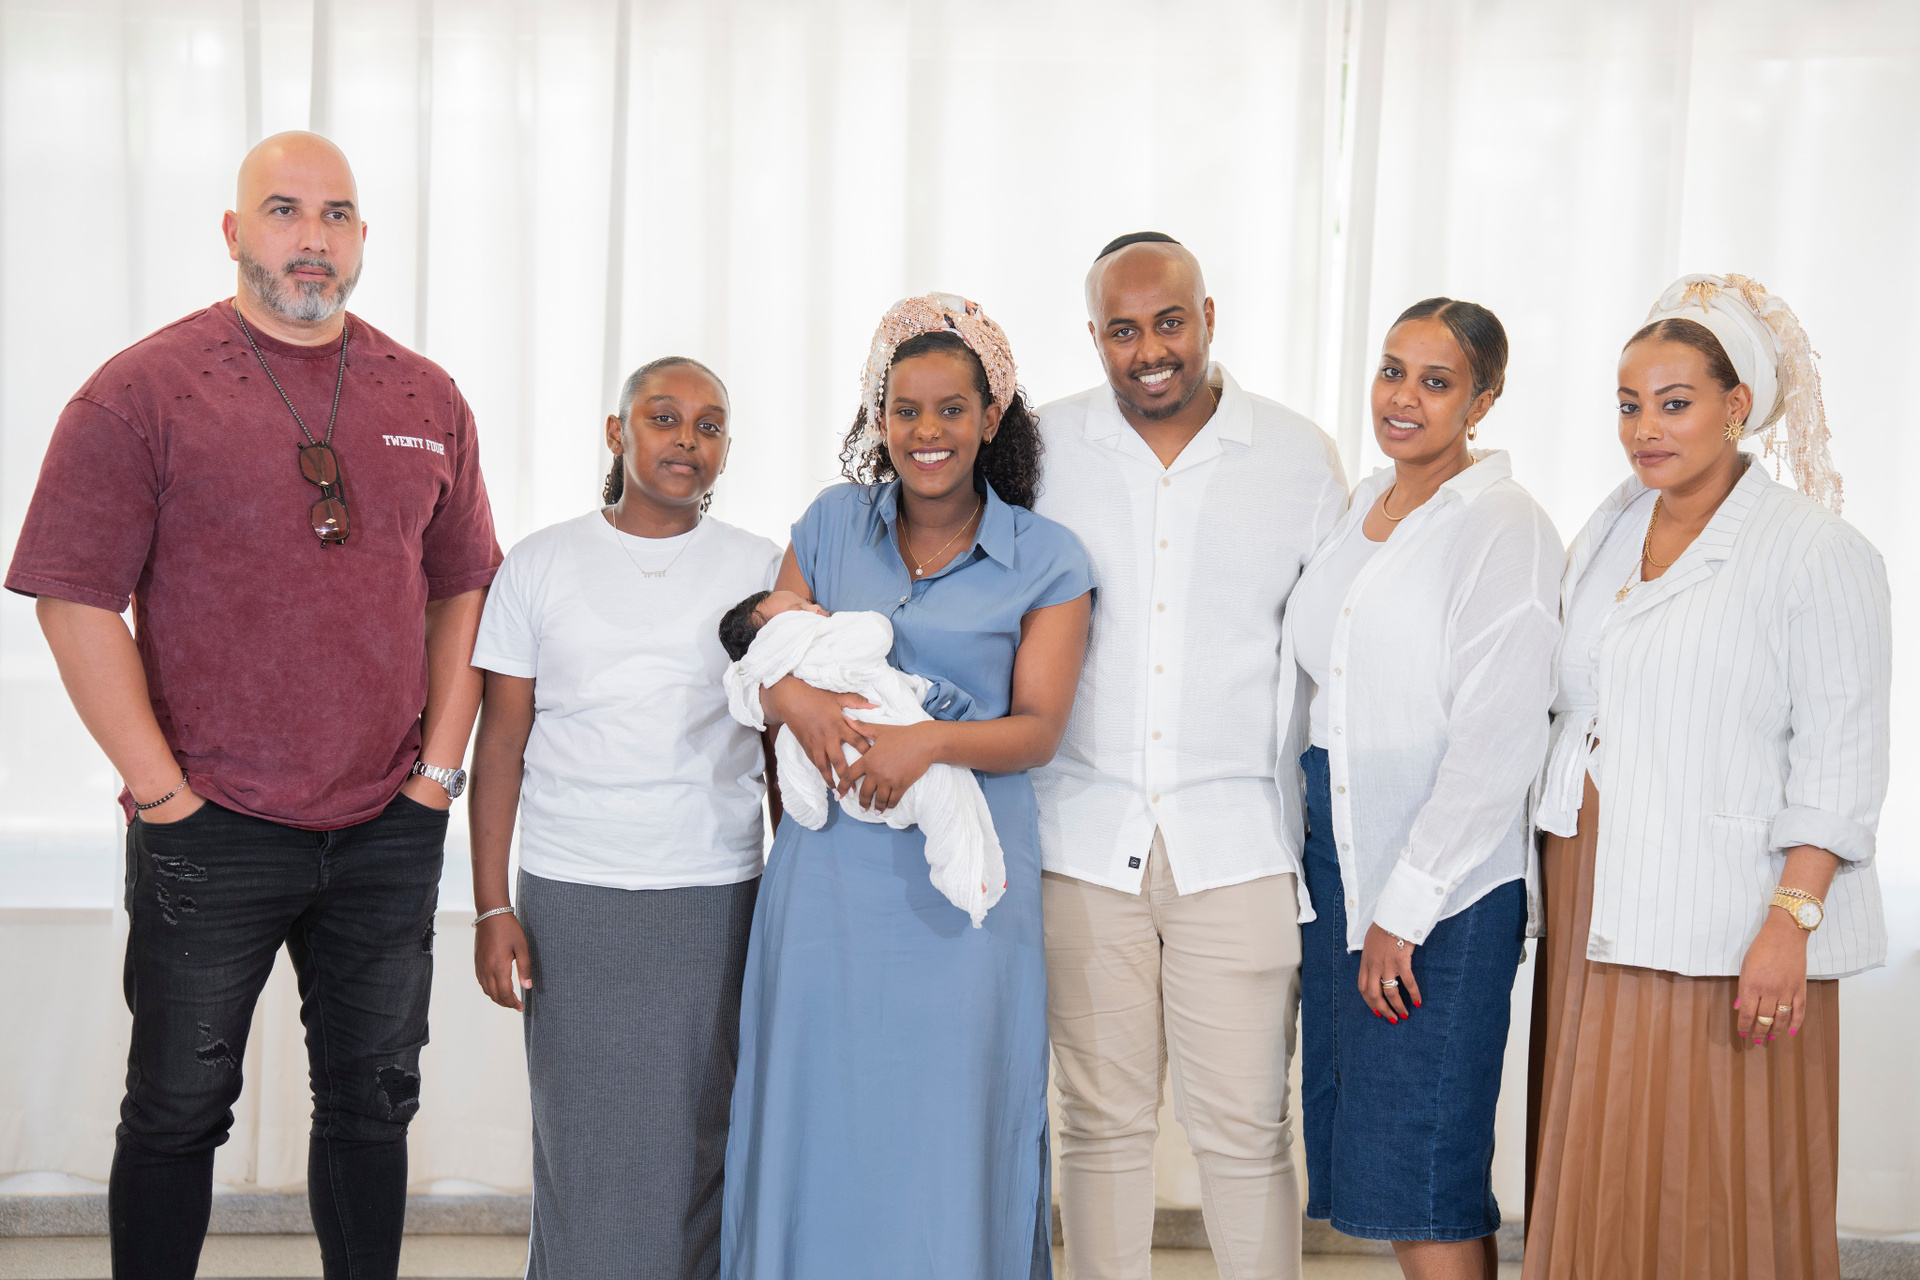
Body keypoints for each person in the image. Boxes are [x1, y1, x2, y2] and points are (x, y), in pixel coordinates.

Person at [5, 132, 500, 1279]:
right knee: (177, 1109)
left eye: (336, 214)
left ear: (363, 238)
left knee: (374, 1100)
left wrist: (435, 775)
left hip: (386, 822)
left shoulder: (427, 396)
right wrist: (163, 794)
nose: (311, 236)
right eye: (283, 209)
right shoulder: (141, 391)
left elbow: (465, 586)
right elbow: (74, 600)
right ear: (234, 232)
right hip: (208, 823)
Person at [722, 294, 1093, 1279]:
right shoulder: (831, 522)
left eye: (952, 408)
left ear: (991, 417)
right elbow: (769, 652)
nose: (928, 431)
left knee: (952, 1118)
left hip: (967, 893)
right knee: (821, 1106)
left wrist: (925, 744)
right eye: (906, 409)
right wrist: (803, 706)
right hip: (829, 880)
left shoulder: (1048, 558)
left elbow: (1038, 729)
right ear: (877, 419)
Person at [1524, 275, 1888, 1280]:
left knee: (1710, 1159)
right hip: (1590, 879)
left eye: (1673, 402)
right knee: (1601, 1144)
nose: (1645, 428)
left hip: (1728, 905)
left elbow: (1842, 758)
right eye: (1628, 404)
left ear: (1738, 405)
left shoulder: (1817, 552)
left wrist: (1790, 922)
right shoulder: (1610, 530)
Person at [1032, 233, 1347, 1280]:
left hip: (1240, 842)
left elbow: (1338, 652)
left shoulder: (1299, 456)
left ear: (1209, 316)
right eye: (1122, 330)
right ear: (1094, 336)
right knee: (1099, 1123)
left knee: (1247, 1129)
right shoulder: (1041, 447)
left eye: (1170, 322)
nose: (1150, 350)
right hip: (1082, 838)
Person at [464, 356, 779, 1280]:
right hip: (572, 890)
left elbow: (778, 749)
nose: (687, 439)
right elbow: (501, 746)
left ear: (726, 451)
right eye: (663, 417)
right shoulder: (541, 562)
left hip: (712, 889)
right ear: (617, 432)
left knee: (700, 1133)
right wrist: (492, 906)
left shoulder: (759, 567)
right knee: (580, 1137)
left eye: (710, 426)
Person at [1285, 299, 1560, 1280]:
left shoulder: (1503, 526)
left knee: (1422, 1162)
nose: (1403, 398)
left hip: (1440, 883)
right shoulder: (1362, 506)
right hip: (1342, 859)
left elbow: (1498, 739)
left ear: (1483, 400)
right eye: (1392, 370)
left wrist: (1402, 913)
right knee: (1386, 1157)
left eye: (1436, 382)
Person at [718, 588, 1007, 927]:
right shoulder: (829, 647)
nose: (816, 608)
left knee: (959, 788)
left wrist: (809, 807)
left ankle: (986, 871)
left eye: (808, 603)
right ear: (775, 638)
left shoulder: (796, 685)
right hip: (878, 768)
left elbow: (792, 753)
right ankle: (961, 879)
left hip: (869, 776)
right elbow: (876, 634)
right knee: (947, 788)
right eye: (799, 609)